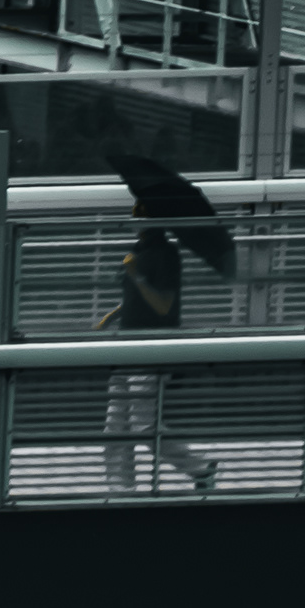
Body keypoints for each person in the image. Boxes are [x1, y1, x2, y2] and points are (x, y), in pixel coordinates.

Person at [103, 174, 218, 498]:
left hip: (149, 349)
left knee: (143, 426)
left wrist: (137, 276)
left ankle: (200, 468)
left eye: (140, 210)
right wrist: (113, 315)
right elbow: (137, 300)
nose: (134, 214)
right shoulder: (138, 250)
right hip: (126, 346)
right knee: (114, 427)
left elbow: (163, 304)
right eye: (135, 209)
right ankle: (121, 489)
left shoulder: (166, 254)